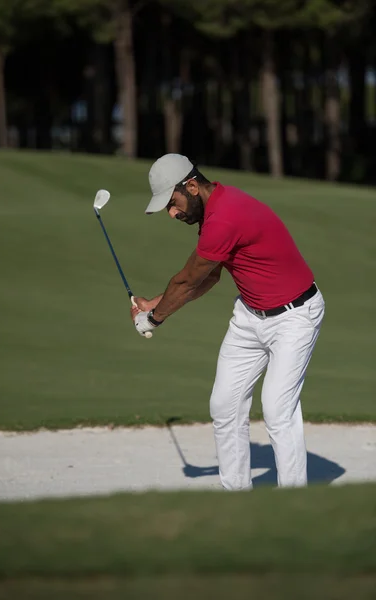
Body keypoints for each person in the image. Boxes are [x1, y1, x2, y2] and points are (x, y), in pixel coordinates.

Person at [131, 153, 325, 490]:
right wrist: (153, 304)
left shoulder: (225, 217)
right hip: (250, 316)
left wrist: (153, 319)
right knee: (225, 405)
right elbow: (208, 278)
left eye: (172, 203)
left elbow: (188, 281)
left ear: (191, 186)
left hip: (295, 317)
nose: (172, 213)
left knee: (278, 410)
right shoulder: (213, 210)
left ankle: (295, 504)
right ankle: (235, 498)